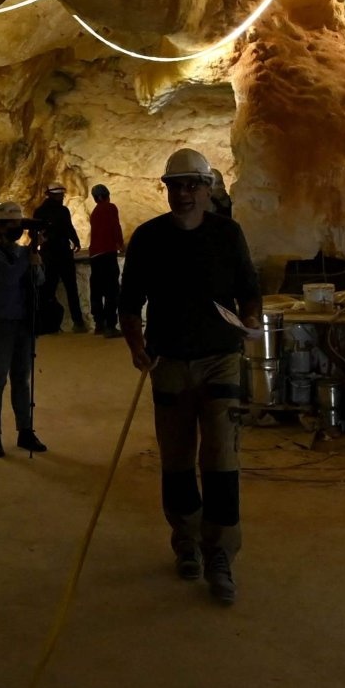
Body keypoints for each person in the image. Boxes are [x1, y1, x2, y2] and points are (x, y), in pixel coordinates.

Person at [118, 147, 261, 605]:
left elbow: (248, 293)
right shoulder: (148, 238)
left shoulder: (227, 234)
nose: (182, 193)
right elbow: (127, 303)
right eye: (175, 185)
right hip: (170, 361)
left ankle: (220, 552)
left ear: (208, 188)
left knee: (220, 457)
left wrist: (250, 327)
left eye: (191, 185)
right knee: (177, 460)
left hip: (220, 357)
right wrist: (137, 347)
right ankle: (186, 543)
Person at [0, 200, 48, 457]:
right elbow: (8, 278)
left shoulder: (23, 253)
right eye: (10, 224)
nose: (15, 228)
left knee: (21, 378)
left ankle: (25, 431)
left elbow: (39, 279)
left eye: (17, 224)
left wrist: (34, 257)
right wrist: (29, 254)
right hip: (2, 322)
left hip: (23, 321)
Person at [30, 183, 85, 332]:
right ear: (55, 195)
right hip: (62, 254)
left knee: (48, 290)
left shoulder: (40, 211)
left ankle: (48, 324)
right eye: (61, 195)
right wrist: (76, 241)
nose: (62, 197)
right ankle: (78, 322)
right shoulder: (62, 210)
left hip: (48, 254)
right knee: (71, 289)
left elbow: (33, 233)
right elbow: (68, 228)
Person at [85, 184, 125, 333]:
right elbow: (115, 226)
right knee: (111, 289)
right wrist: (120, 244)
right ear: (107, 195)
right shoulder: (110, 207)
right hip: (107, 252)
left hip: (94, 254)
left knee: (97, 289)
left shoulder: (94, 212)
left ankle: (99, 324)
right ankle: (110, 325)